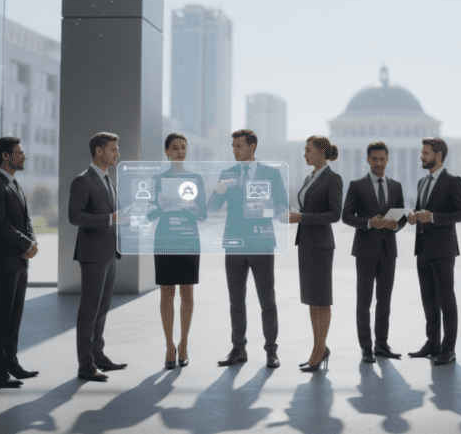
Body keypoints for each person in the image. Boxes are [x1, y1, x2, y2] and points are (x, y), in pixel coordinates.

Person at [209, 129, 288, 369]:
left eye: (239, 146)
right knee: (236, 301)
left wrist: (260, 209)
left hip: (261, 243)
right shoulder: (228, 174)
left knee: (267, 301)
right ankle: (238, 349)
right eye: (233, 146)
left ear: (252, 147)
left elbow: (282, 208)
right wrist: (218, 190)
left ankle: (271, 352)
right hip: (233, 244)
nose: (235, 150)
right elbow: (212, 206)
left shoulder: (270, 174)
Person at [69, 132, 128, 382]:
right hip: (93, 255)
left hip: (109, 253)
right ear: (99, 151)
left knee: (102, 308)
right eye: (113, 150)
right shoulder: (83, 181)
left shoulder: (107, 180)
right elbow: (75, 216)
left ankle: (98, 357)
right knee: (89, 310)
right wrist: (109, 219)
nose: (118, 154)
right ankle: (85, 365)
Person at [341, 141, 406, 363]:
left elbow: (402, 217)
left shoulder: (396, 186)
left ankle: (382, 345)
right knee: (364, 302)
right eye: (374, 158)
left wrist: (396, 225)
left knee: (384, 301)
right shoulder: (357, 185)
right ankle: (366, 348)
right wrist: (369, 223)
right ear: (368, 160)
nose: (379, 162)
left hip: (388, 251)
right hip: (365, 251)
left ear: (388, 160)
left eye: (382, 158)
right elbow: (346, 216)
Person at [146, 133, 207, 369]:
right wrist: (159, 207)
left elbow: (203, 215)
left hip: (188, 239)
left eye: (183, 147)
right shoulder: (157, 179)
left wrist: (193, 209)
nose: (180, 151)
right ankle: (169, 346)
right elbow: (149, 213)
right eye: (174, 147)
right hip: (164, 239)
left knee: (187, 294)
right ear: (166, 151)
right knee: (166, 294)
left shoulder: (196, 178)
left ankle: (184, 344)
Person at [0, 137, 39, 388]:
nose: (24, 156)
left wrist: (31, 241)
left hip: (19, 261)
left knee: (14, 317)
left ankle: (12, 364)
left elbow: (25, 221)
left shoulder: (13, 184)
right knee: (1, 318)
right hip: (3, 262)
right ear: (6, 156)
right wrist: (26, 244)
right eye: (20, 152)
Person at [406, 137, 461, 366]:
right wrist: (414, 215)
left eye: (426, 152)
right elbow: (423, 209)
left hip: (443, 249)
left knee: (446, 300)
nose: (421, 156)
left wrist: (432, 217)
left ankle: (448, 349)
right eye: (421, 152)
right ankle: (432, 343)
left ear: (438, 155)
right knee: (428, 299)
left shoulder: (454, 181)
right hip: (422, 247)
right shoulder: (422, 182)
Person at [288, 135, 342, 372]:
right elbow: (307, 208)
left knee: (322, 299)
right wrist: (296, 216)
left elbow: (334, 214)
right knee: (311, 300)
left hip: (321, 245)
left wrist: (302, 217)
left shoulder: (333, 179)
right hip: (306, 243)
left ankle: (319, 350)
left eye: (308, 150)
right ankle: (318, 347)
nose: (304, 154)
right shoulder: (309, 178)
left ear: (320, 152)